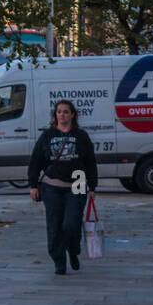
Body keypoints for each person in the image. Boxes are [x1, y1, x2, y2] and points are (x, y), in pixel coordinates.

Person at [28, 99, 97, 275]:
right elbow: (36, 160)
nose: (62, 115)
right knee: (55, 225)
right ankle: (59, 261)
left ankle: (73, 251)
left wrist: (92, 187)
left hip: (78, 183)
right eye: (59, 111)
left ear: (72, 114)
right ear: (55, 114)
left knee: (71, 224)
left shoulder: (81, 136)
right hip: (52, 185)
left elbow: (90, 162)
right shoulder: (47, 136)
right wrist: (33, 185)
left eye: (66, 111)